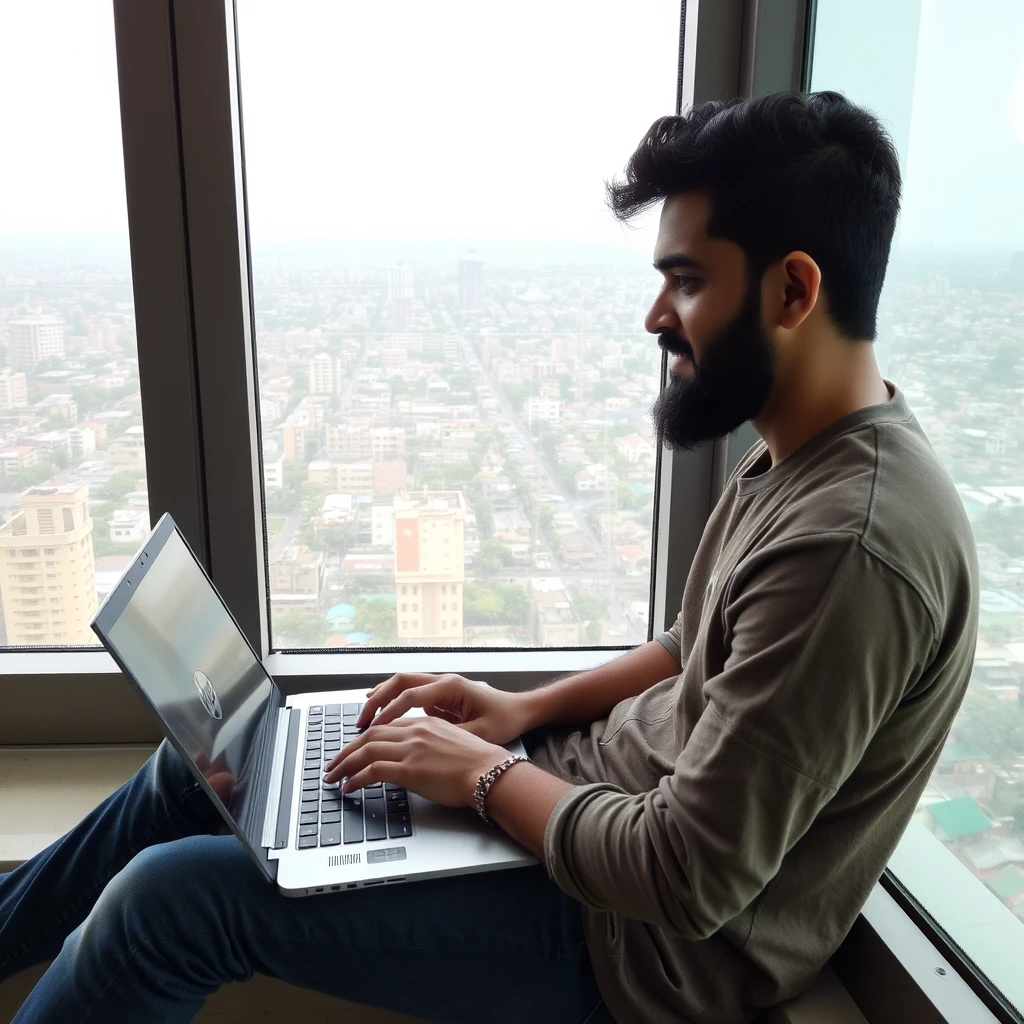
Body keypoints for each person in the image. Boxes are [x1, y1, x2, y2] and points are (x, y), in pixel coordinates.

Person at [0, 90, 978, 1024]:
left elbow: (689, 877)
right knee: (208, 770)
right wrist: (521, 712)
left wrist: (476, 776)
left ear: (793, 289)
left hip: (632, 948)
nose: (654, 317)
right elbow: (693, 646)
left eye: (685, 279)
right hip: (571, 815)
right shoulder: (801, 448)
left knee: (170, 903)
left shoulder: (854, 544)